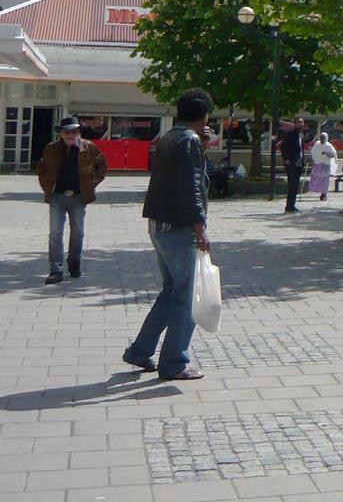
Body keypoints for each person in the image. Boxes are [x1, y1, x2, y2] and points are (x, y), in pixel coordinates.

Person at [122, 88, 213, 381]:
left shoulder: (169, 138)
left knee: (171, 291)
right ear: (205, 115)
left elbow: (177, 176)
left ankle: (140, 350)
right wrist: (201, 227)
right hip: (179, 227)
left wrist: (203, 148)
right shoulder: (190, 140)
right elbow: (192, 188)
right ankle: (174, 362)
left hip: (159, 224)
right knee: (186, 298)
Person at [37, 115, 108, 285]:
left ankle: (74, 262)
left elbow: (102, 165)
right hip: (57, 197)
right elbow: (42, 168)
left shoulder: (89, 148)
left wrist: (91, 183)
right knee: (55, 233)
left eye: (74, 132)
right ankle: (56, 269)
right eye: (66, 132)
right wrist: (47, 187)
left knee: (78, 232)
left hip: (78, 197)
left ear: (78, 133)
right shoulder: (51, 149)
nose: (70, 135)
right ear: (60, 134)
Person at [280, 117, 305, 213]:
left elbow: (301, 149)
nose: (300, 124)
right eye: (298, 122)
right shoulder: (290, 135)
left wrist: (303, 160)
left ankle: (292, 205)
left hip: (299, 164)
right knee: (292, 184)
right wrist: (286, 159)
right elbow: (283, 147)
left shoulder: (300, 135)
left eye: (302, 122)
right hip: (292, 163)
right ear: (295, 124)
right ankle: (289, 206)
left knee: (295, 186)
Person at [309, 132, 336, 201]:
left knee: (325, 181)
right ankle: (315, 190)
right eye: (321, 137)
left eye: (323, 138)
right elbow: (313, 152)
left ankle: (324, 194)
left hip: (325, 165)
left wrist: (326, 153)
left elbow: (333, 155)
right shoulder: (317, 144)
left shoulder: (329, 146)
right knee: (316, 178)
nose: (322, 139)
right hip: (317, 164)